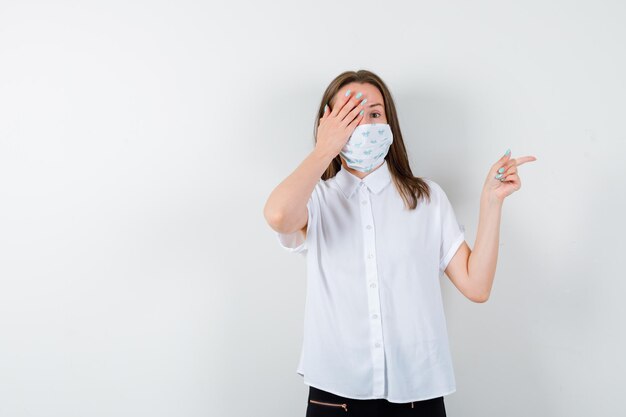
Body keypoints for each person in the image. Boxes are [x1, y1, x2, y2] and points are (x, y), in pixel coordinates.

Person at [263, 70, 536, 417]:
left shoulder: (426, 198)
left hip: (417, 396)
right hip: (335, 396)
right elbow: (277, 215)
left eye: (374, 114)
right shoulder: (315, 200)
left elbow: (477, 285)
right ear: (328, 125)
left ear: (390, 124)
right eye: (349, 115)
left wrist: (491, 202)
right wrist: (324, 149)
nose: (363, 125)